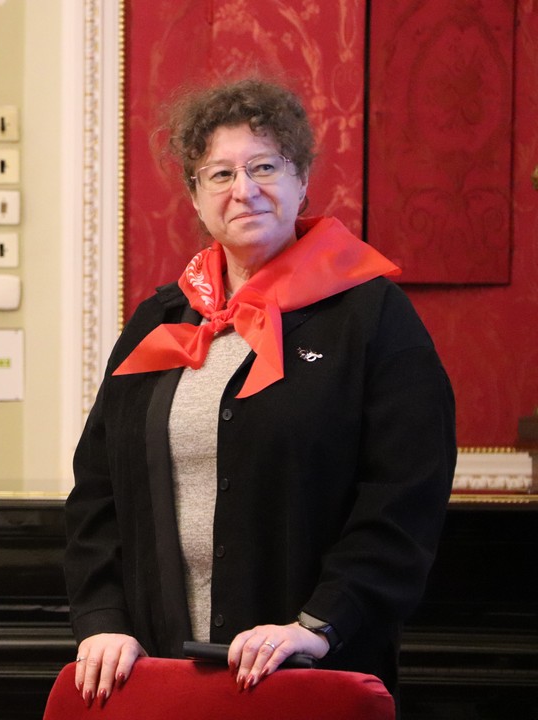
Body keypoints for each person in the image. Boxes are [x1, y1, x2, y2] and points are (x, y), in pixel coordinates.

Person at [64, 77, 456, 708]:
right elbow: (98, 489)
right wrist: (103, 619)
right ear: (196, 198)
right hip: (162, 676)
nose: (243, 190)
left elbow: (404, 497)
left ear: (301, 180)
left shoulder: (373, 317)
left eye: (264, 167)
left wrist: (316, 626)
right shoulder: (158, 320)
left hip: (310, 672)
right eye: (219, 174)